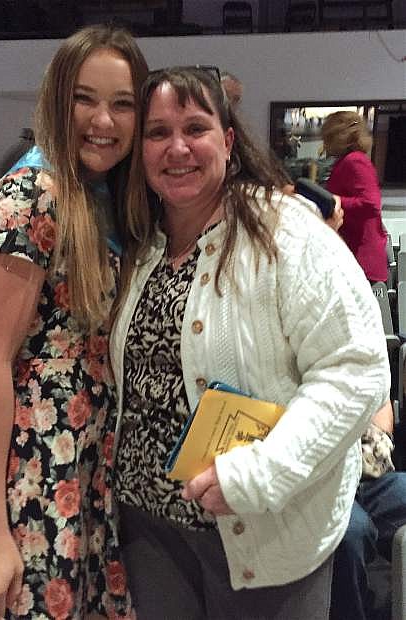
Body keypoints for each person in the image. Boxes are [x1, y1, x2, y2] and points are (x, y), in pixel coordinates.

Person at [109, 66, 390, 620]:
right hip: (150, 529)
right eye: (158, 132)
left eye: (195, 127)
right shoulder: (141, 245)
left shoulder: (285, 231)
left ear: (229, 139)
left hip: (266, 531)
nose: (178, 147)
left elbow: (356, 368)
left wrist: (262, 474)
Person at [0, 24, 148, 620]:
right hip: (28, 476)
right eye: (85, 98)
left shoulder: (103, 198)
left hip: (83, 470)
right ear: (58, 99)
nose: (103, 120)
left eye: (122, 103)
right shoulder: (30, 194)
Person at [331, 401, 406, 620]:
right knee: (350, 533)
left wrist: (378, 437)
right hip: (324, 486)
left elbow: (382, 405)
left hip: (366, 475)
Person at [321, 111, 388, 284]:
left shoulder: (354, 161)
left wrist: (334, 199)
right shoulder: (349, 160)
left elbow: (371, 204)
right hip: (355, 256)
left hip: (361, 259)